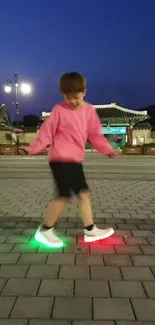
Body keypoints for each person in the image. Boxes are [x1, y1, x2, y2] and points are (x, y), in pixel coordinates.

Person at [24, 72, 119, 247]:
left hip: (75, 160)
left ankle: (90, 230)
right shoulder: (59, 110)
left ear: (84, 92)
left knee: (84, 194)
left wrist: (107, 149)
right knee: (64, 195)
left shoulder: (89, 111)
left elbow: (95, 135)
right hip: (59, 159)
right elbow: (46, 133)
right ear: (63, 96)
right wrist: (33, 149)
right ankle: (45, 230)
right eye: (68, 98)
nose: (72, 101)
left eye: (76, 97)